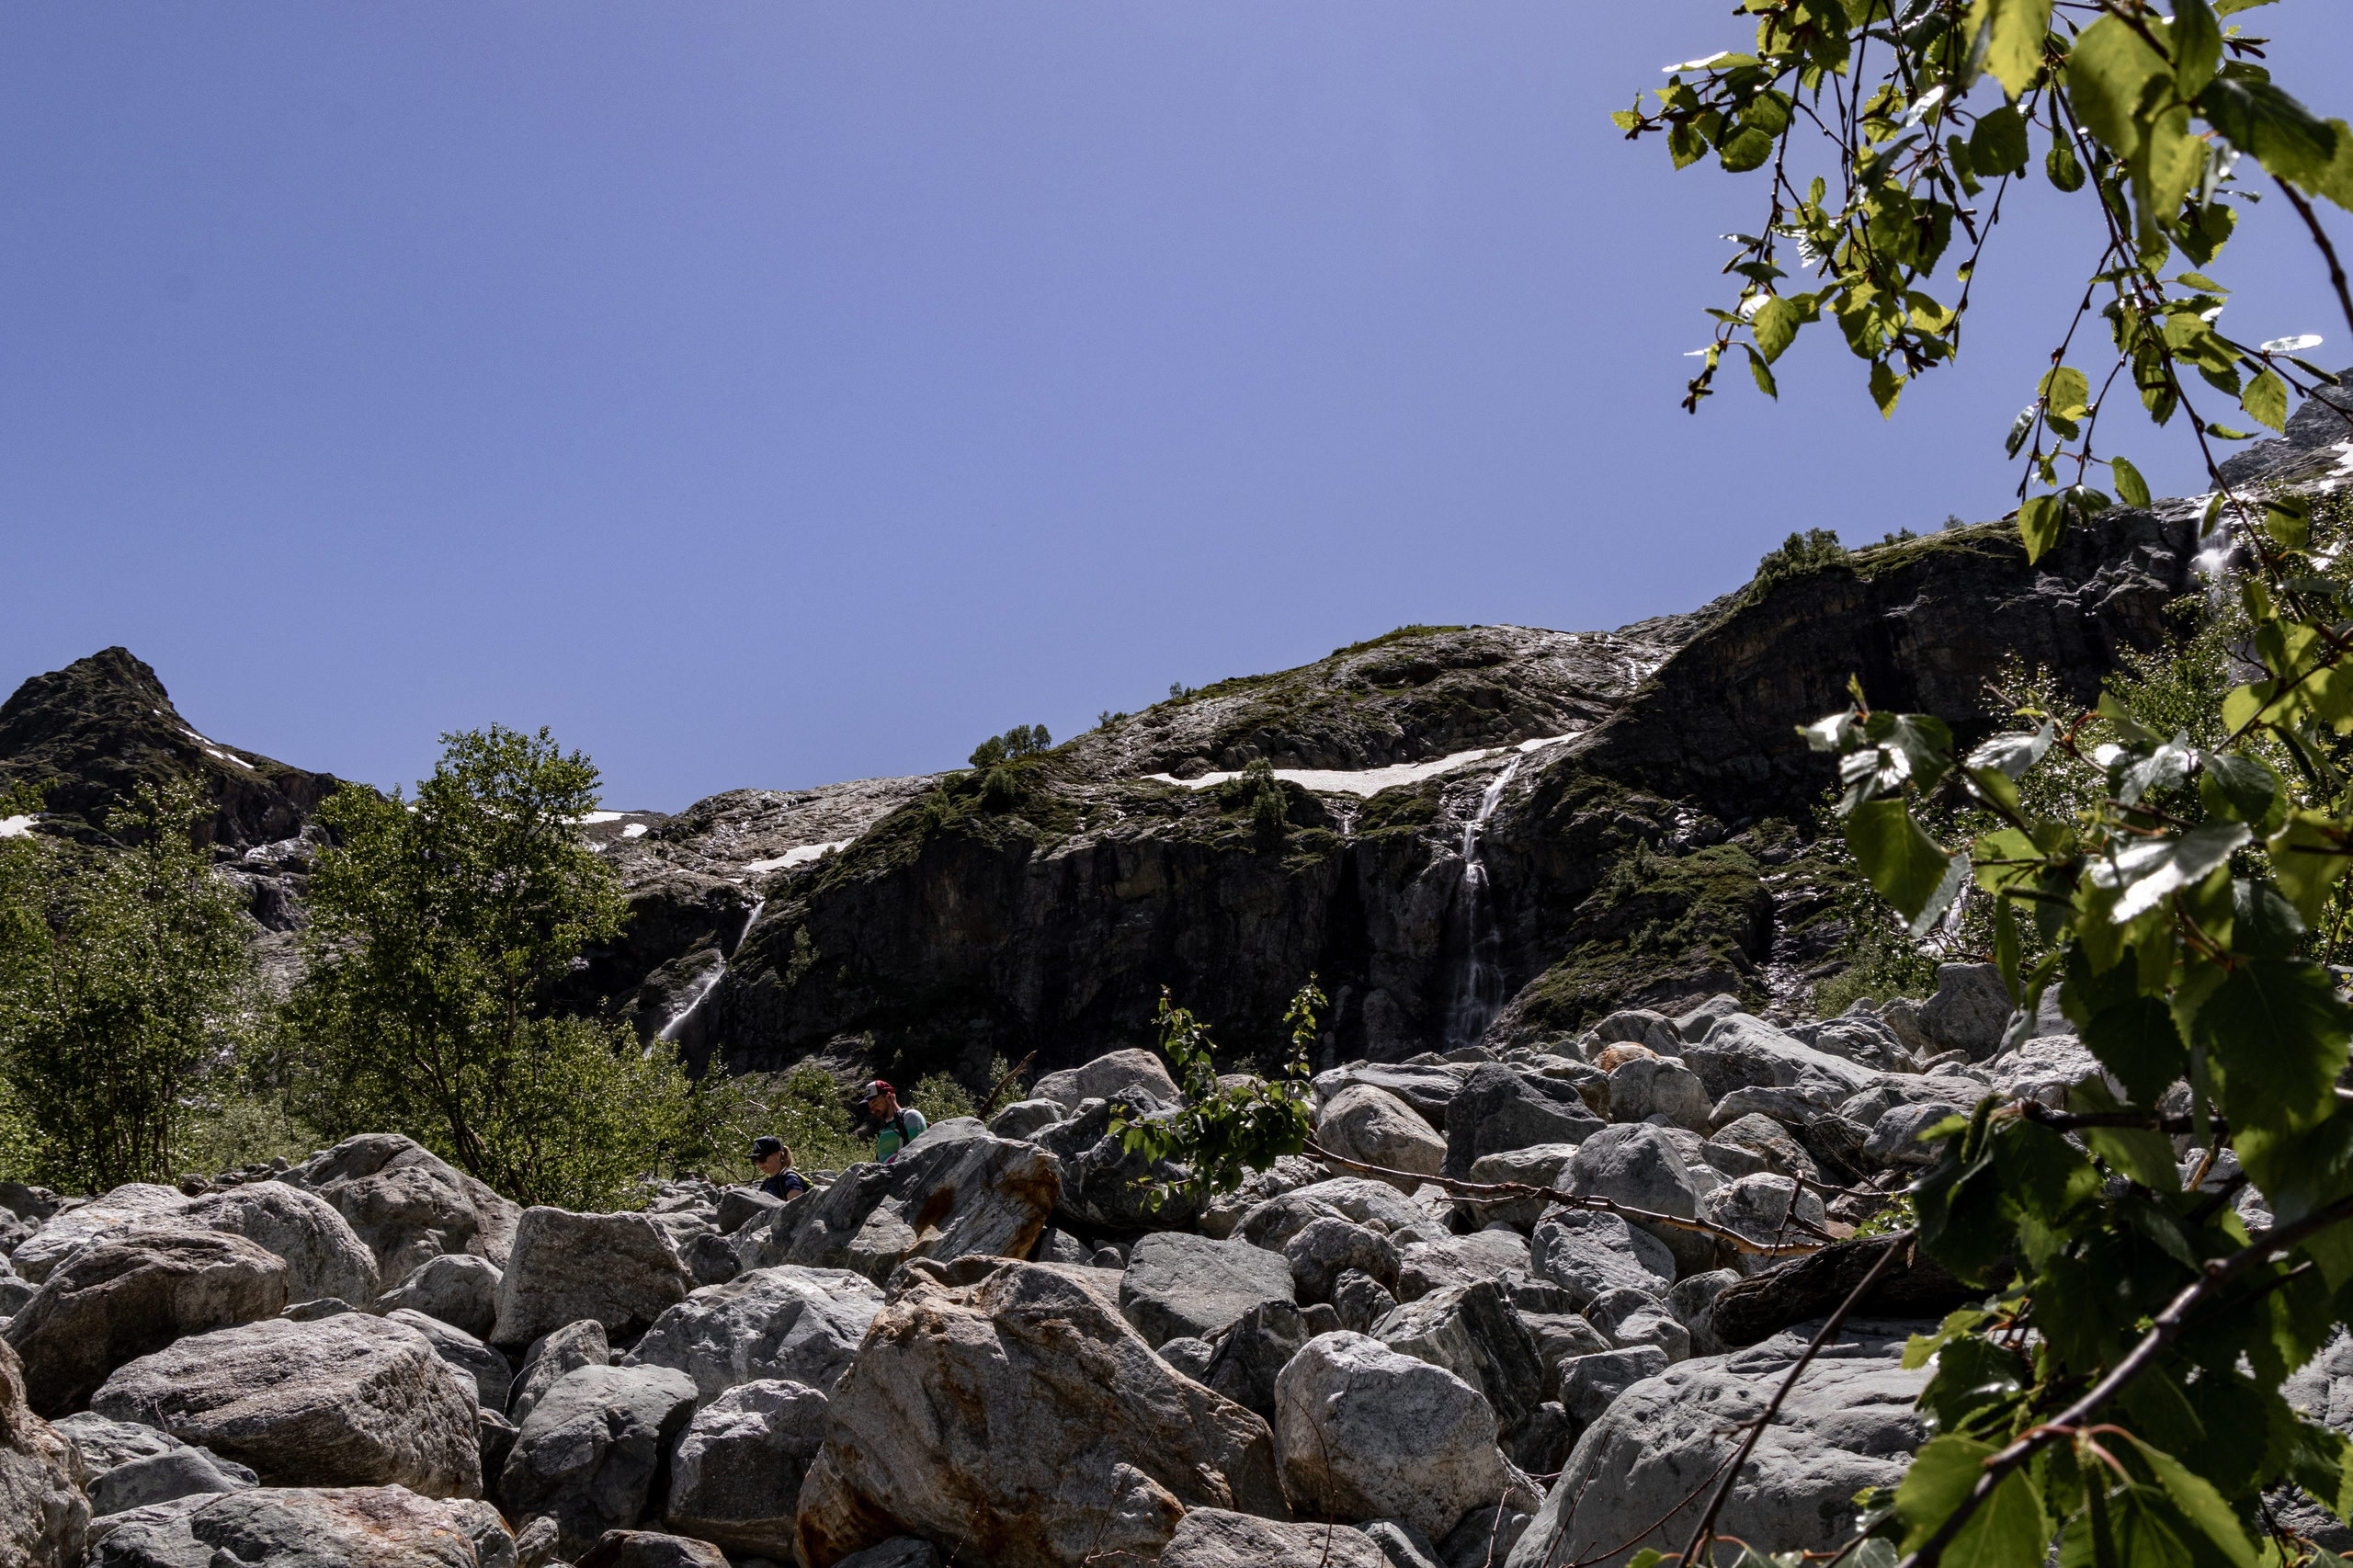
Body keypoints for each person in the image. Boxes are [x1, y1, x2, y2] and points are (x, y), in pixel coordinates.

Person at [859, 1079, 926, 1163]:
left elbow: (920, 1154)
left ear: (889, 1097)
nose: (872, 1110)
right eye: (870, 1106)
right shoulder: (884, 1129)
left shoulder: (910, 1116)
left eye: (874, 1103)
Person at [750, 1134, 807, 1200]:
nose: (759, 1163)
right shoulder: (766, 1183)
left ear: (777, 1155)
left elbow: (796, 1207)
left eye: (762, 1158)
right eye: (755, 1159)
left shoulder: (790, 1179)